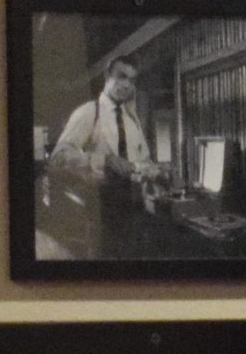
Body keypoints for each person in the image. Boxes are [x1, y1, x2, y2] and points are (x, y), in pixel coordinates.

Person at [48, 55, 166, 260]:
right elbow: (58, 158)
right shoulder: (88, 113)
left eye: (132, 80)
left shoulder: (132, 119)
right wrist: (104, 159)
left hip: (135, 210)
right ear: (106, 76)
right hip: (99, 212)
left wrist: (158, 172)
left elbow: (143, 161)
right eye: (121, 76)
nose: (127, 84)